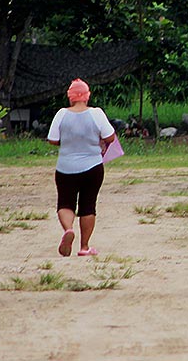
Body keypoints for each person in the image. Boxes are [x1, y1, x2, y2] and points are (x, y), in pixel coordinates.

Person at [46, 79, 116, 257]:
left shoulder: (61, 114)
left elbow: (53, 139)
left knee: (65, 203)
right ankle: (84, 247)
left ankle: (68, 230)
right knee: (88, 205)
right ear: (87, 96)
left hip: (65, 167)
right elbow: (110, 137)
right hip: (92, 166)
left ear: (70, 97)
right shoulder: (96, 113)